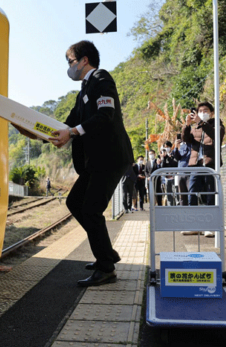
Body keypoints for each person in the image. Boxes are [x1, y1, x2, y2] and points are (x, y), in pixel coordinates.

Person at [48, 40, 134, 287]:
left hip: (110, 157)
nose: (69, 67)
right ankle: (106, 254)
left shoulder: (101, 79)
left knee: (91, 210)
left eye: (71, 61)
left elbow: (105, 116)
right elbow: (67, 126)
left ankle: (106, 267)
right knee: (75, 202)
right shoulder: (82, 92)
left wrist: (72, 132)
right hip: (96, 161)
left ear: (84, 60)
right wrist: (37, 132)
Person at [182, 101, 225, 237]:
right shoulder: (195, 128)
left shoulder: (218, 126)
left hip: (210, 165)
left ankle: (208, 227)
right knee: (192, 194)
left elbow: (215, 136)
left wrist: (202, 123)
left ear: (211, 113)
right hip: (196, 165)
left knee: (209, 194)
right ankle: (193, 226)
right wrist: (187, 125)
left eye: (206, 110)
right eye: (200, 111)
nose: (202, 113)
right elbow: (185, 139)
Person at [172, 134, 192, 206]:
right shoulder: (181, 146)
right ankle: (183, 210)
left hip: (190, 172)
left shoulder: (192, 144)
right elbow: (177, 157)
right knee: (182, 195)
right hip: (181, 172)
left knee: (191, 194)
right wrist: (176, 147)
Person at [159, 141, 177, 206]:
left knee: (175, 192)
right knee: (168, 193)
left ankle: (177, 205)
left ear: (170, 147)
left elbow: (174, 164)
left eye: (167, 147)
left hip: (174, 177)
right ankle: (170, 206)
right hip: (167, 178)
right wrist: (164, 157)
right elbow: (163, 166)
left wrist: (169, 157)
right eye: (165, 147)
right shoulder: (164, 156)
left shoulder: (174, 154)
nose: (166, 148)